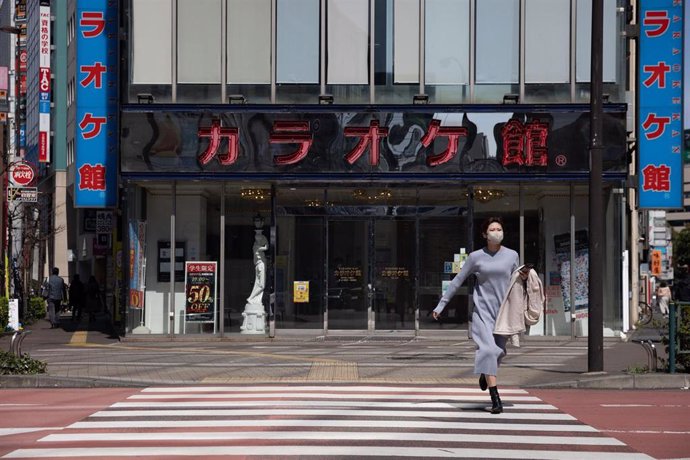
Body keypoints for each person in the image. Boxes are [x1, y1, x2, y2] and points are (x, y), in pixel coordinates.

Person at [432, 217, 519, 414]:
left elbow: (517, 283)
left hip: (503, 312)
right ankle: (495, 398)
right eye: (492, 229)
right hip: (482, 312)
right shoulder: (475, 257)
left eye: (499, 228)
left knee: (498, 352)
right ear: (484, 234)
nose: (497, 232)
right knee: (488, 351)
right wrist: (441, 305)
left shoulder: (512, 255)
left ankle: (485, 373)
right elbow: (457, 281)